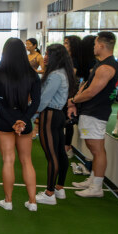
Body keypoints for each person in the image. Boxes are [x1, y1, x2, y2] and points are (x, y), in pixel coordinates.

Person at [0, 38, 41, 210]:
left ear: (5, 52)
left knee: (8, 160)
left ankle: (8, 201)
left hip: (5, 120)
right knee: (27, 161)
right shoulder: (32, 74)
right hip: (23, 120)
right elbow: (36, 102)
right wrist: (23, 120)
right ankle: (32, 202)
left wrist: (12, 122)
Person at [68, 32, 118, 198]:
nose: (94, 47)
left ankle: (97, 187)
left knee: (97, 149)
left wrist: (73, 100)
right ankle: (93, 179)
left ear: (102, 45)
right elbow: (86, 85)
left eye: (95, 44)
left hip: (96, 112)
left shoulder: (106, 67)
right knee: (92, 146)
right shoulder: (101, 64)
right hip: (90, 111)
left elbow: (91, 91)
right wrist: (75, 100)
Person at [34, 44, 76, 205]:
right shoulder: (62, 72)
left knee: (52, 155)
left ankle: (49, 193)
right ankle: (59, 188)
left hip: (50, 115)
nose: (45, 57)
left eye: (48, 54)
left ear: (56, 57)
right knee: (59, 153)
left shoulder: (55, 75)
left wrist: (30, 115)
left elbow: (44, 99)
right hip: (57, 115)